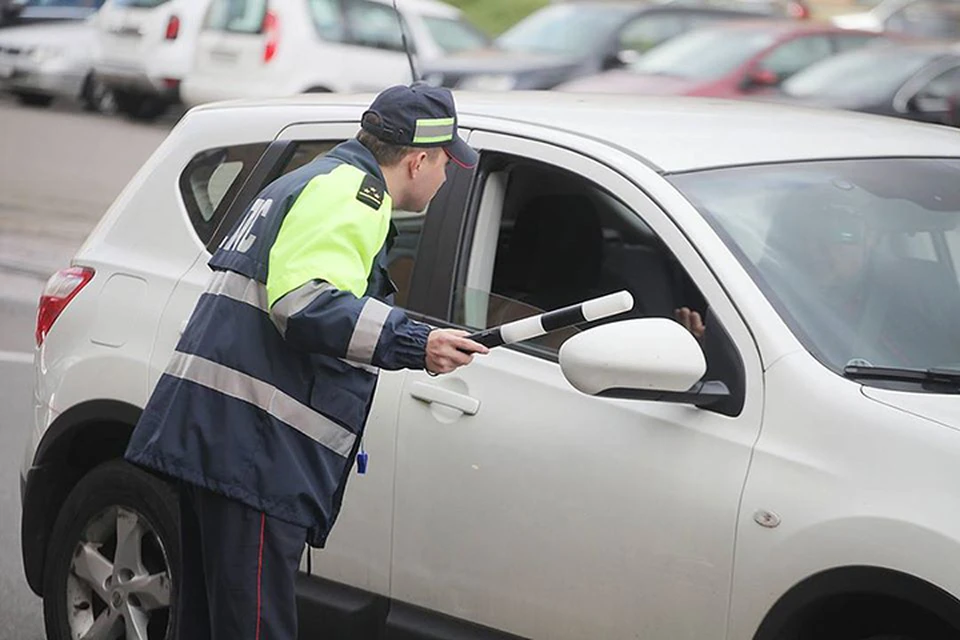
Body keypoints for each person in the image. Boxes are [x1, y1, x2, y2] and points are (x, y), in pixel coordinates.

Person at [124, 84, 489, 640]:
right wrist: (417, 342)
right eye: (445, 165)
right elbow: (302, 303)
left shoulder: (315, 178)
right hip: (255, 452)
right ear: (418, 160)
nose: (446, 179)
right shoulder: (354, 195)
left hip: (220, 436)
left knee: (206, 623)